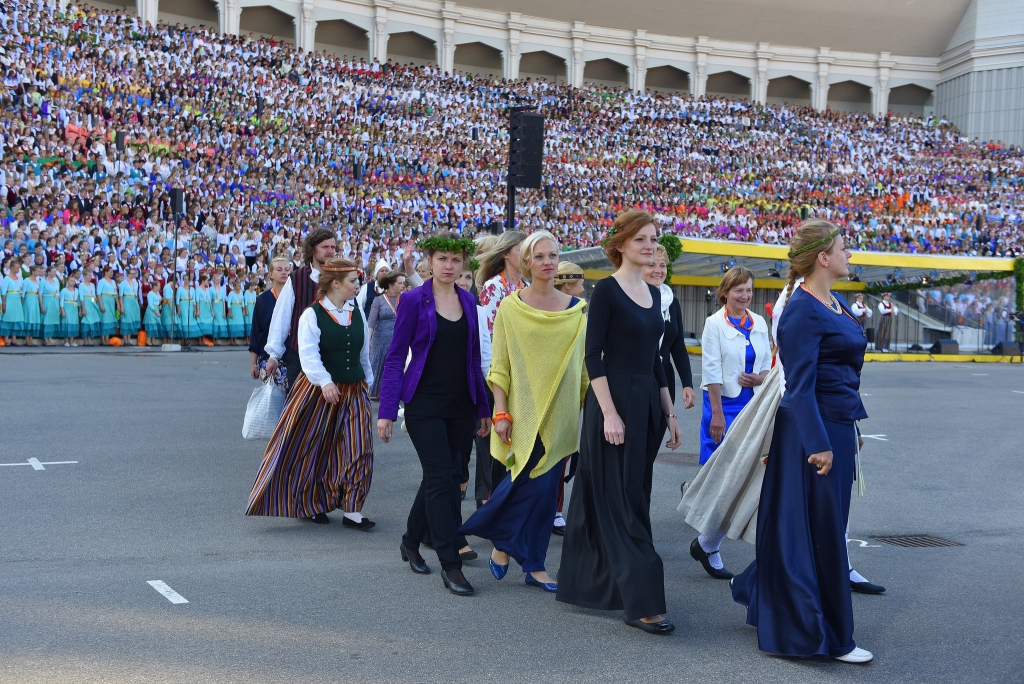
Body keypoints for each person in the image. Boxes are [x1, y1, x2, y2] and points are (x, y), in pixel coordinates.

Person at [731, 220, 874, 664]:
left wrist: (851, 424)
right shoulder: (800, 311)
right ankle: (828, 634)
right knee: (822, 531)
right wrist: (819, 443)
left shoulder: (835, 302)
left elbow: (841, 373)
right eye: (844, 248)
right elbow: (800, 386)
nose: (850, 255)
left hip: (835, 423)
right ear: (822, 258)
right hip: (812, 431)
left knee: (817, 526)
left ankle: (770, 592)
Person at [556, 210, 683, 635]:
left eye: (653, 239)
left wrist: (669, 413)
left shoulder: (651, 291)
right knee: (622, 500)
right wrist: (609, 413)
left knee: (629, 497)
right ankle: (643, 603)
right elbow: (594, 357)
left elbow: (656, 360)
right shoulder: (607, 292)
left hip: (647, 405)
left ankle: (604, 586)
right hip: (614, 407)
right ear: (622, 245)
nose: (649, 246)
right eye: (641, 239)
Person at [460, 230, 588, 593]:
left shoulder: (577, 310)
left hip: (563, 413)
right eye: (540, 256)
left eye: (553, 255)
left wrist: (587, 405)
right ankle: (500, 539)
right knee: (521, 482)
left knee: (547, 491)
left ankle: (533, 563)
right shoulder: (510, 308)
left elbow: (583, 366)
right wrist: (500, 412)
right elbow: (499, 366)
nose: (548, 261)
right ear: (526, 262)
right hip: (523, 411)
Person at [378, 232, 491, 596]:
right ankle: (451, 563)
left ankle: (411, 540)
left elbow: (473, 358)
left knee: (440, 476)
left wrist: (483, 407)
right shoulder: (412, 299)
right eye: (442, 259)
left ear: (464, 265)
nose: (449, 266)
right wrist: (386, 412)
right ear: (429, 262)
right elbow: (396, 357)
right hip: (424, 403)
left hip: (461, 404)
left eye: (456, 260)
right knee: (443, 479)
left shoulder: (469, 301)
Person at [247, 258, 376, 530]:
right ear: (335, 283)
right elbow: (308, 354)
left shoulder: (357, 313)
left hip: (353, 389)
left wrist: (368, 381)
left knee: (359, 447)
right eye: (353, 281)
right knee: (313, 448)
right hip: (318, 391)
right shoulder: (312, 314)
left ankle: (353, 508)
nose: (357, 285)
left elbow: (364, 353)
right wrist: (325, 382)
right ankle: (310, 503)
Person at [693, 266, 771, 578]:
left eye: (749, 290)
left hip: (754, 405)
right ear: (725, 292)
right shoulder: (714, 324)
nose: (745, 296)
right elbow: (710, 371)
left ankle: (707, 543)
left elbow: (767, 364)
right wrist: (717, 414)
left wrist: (760, 377)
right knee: (722, 478)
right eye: (739, 290)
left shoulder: (760, 323)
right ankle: (709, 544)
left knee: (746, 477)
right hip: (723, 405)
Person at [475, 230, 528, 496]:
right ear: (507, 254)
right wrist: (493, 378)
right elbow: (487, 338)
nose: (529, 255)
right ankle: (488, 508)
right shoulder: (494, 287)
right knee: (492, 449)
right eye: (523, 249)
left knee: (513, 446)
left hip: (520, 376)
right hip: (495, 376)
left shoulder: (527, 288)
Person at [265, 228, 337, 390]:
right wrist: (274, 356)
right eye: (325, 247)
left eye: (333, 247)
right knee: (299, 410)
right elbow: (281, 317)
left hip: (333, 356)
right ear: (312, 249)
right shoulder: (297, 278)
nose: (330, 251)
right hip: (300, 357)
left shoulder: (339, 277)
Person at [550, 259, 587, 535]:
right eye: (580, 284)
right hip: (546, 392)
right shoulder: (548, 309)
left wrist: (584, 392)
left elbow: (584, 361)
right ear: (568, 285)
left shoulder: (580, 312)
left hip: (569, 392)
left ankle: (555, 509)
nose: (584, 289)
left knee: (563, 454)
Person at [366, 270, 406, 401]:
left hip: (399, 338)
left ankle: (390, 392)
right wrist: (368, 340)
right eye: (399, 283)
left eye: (403, 283)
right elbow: (371, 322)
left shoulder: (405, 298)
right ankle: (373, 391)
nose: (403, 286)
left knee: (396, 365)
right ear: (390, 284)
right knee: (377, 364)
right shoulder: (378, 300)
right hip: (380, 339)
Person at [249, 256, 290, 379]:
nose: (284, 272)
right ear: (271, 274)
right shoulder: (263, 299)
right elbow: (256, 331)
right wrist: (253, 364)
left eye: (287, 269)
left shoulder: (295, 297)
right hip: (267, 357)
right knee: (272, 397)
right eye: (279, 269)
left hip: (293, 357)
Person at [1, 258, 26, 346]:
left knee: (16, 318)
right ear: (11, 268)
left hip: (17, 299)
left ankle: (14, 339)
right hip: (10, 299)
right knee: (8, 318)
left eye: (19, 268)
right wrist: (4, 304)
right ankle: (6, 339)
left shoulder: (18, 278)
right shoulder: (7, 278)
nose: (18, 270)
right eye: (16, 268)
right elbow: (3, 292)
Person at [118, 268, 141, 345]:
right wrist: (122, 306)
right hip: (127, 300)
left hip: (133, 301)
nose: (133, 275)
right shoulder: (123, 283)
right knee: (126, 319)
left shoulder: (136, 283)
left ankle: (129, 339)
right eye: (132, 273)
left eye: (134, 273)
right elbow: (120, 296)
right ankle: (125, 340)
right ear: (127, 274)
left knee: (132, 318)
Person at [59, 270, 82, 346]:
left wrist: (80, 310)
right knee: (67, 322)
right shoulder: (64, 290)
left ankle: (72, 341)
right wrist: (62, 311)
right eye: (71, 281)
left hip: (74, 307)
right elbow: (61, 301)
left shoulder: (77, 290)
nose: (73, 282)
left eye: (74, 281)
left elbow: (78, 301)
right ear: (67, 281)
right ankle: (66, 341)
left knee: (73, 322)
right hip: (67, 306)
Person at [40, 266, 62, 346]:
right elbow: (40, 294)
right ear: (48, 272)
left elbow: (58, 293)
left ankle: (50, 338)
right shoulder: (43, 281)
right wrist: (41, 305)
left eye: (55, 272)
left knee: (53, 319)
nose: (55, 273)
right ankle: (45, 339)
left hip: (55, 301)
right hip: (47, 300)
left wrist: (59, 305)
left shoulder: (56, 281)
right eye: (53, 271)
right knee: (47, 319)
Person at [97, 266, 119, 344]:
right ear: (106, 272)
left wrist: (118, 304)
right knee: (104, 319)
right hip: (104, 299)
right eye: (110, 272)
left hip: (111, 301)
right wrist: (101, 305)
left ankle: (107, 338)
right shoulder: (101, 281)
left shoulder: (113, 282)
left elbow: (115, 293)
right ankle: (103, 339)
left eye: (112, 272)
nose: (112, 273)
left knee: (109, 319)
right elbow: (99, 294)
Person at [79, 267, 101, 346]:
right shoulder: (81, 285)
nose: (90, 277)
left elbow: (93, 296)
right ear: (84, 276)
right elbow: (81, 297)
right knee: (86, 321)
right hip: (86, 303)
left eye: (91, 275)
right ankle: (85, 340)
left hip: (91, 304)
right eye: (88, 275)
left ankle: (89, 339)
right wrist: (83, 308)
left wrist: (95, 303)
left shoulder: (92, 285)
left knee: (91, 321)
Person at [22, 265, 42, 346]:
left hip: (35, 300)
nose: (39, 272)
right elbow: (23, 293)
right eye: (37, 271)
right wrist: (23, 303)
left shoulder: (37, 280)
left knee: (34, 317)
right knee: (28, 317)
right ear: (33, 271)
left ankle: (31, 339)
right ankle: (27, 339)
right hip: (29, 300)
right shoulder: (27, 280)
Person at [143, 276, 164, 345]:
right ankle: (148, 340)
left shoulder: (158, 293)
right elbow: (150, 304)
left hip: (157, 308)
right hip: (152, 310)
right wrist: (156, 312)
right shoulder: (150, 293)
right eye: (158, 286)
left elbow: (160, 301)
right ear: (154, 286)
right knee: (151, 326)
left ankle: (153, 340)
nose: (159, 288)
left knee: (155, 325)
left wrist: (160, 308)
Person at [196, 274, 215, 345]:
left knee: (206, 324)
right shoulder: (198, 289)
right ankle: (199, 340)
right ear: (203, 281)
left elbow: (209, 300)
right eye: (207, 281)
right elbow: (197, 300)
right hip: (202, 306)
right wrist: (198, 310)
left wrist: (212, 310)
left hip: (207, 307)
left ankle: (204, 339)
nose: (208, 282)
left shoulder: (207, 289)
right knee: (201, 323)